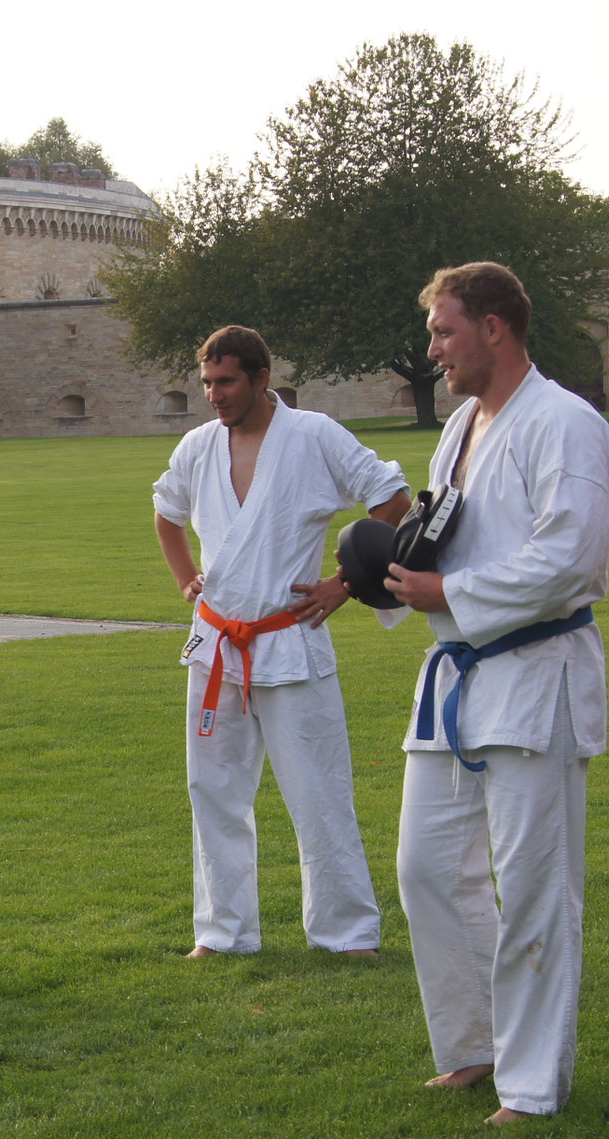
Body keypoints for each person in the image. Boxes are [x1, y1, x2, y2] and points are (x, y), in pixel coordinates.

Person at [380, 263, 609, 1126]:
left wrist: (452, 595)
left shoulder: (566, 427)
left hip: (535, 674)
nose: (434, 349)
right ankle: (475, 1044)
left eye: (445, 332)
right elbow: (444, 531)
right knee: (427, 869)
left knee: (535, 888)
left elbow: (571, 556)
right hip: (457, 678)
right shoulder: (460, 429)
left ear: (495, 327)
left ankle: (531, 1084)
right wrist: (393, 573)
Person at [153, 326, 410, 960]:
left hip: (290, 639)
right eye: (207, 382)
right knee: (213, 795)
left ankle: (348, 933)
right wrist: (188, 578)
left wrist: (344, 582)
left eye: (227, 381)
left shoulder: (314, 435)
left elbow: (395, 502)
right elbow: (167, 512)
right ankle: (222, 933)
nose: (214, 394)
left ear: (262, 379)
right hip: (216, 643)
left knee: (319, 790)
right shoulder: (196, 445)